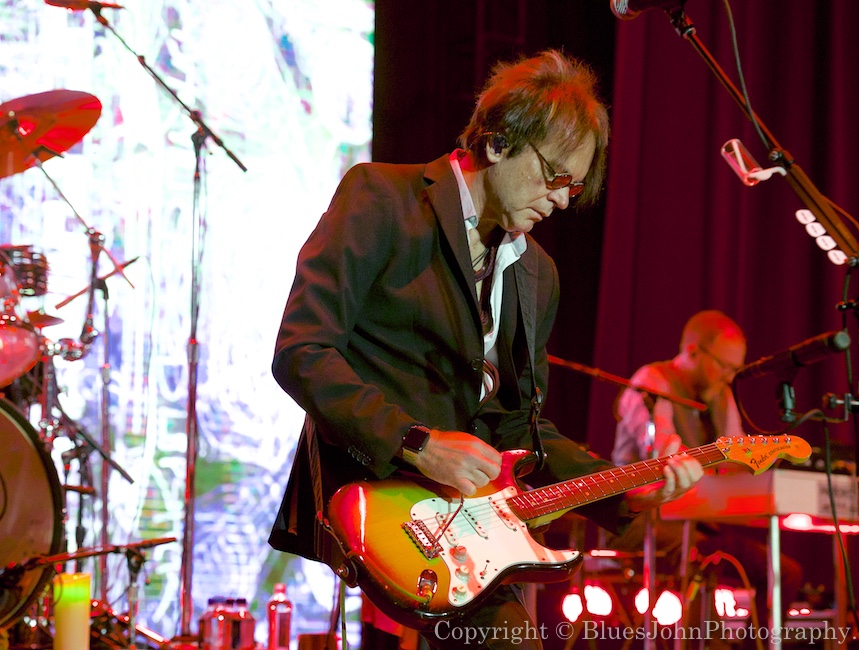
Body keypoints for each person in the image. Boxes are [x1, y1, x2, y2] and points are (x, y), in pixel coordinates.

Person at [267, 49, 704, 650]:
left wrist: (626, 488)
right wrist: (416, 444)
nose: (563, 200)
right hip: (378, 500)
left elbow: (522, 428)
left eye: (575, 187)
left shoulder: (536, 274)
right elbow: (302, 350)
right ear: (498, 144)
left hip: (472, 528)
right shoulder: (382, 198)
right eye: (556, 176)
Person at [609, 309, 803, 629]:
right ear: (693, 351)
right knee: (706, 559)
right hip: (636, 520)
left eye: (734, 369)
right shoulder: (653, 382)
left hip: (694, 523)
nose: (729, 377)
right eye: (724, 366)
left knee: (784, 573)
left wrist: (766, 464)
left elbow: (738, 458)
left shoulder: (720, 395)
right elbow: (663, 454)